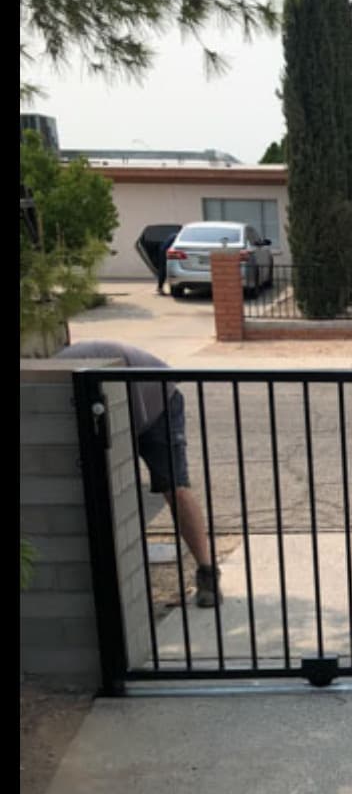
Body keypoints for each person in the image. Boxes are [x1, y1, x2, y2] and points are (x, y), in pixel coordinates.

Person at [55, 341, 222, 607]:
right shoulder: (50, 384)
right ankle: (113, 576)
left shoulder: (58, 378)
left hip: (155, 402)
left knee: (174, 487)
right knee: (101, 484)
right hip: (117, 404)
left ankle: (207, 573)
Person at [155, 230, 178, 296]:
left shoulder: (173, 235)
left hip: (163, 251)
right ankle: (160, 288)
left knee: (163, 270)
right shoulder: (177, 237)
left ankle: (160, 288)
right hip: (165, 252)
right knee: (164, 271)